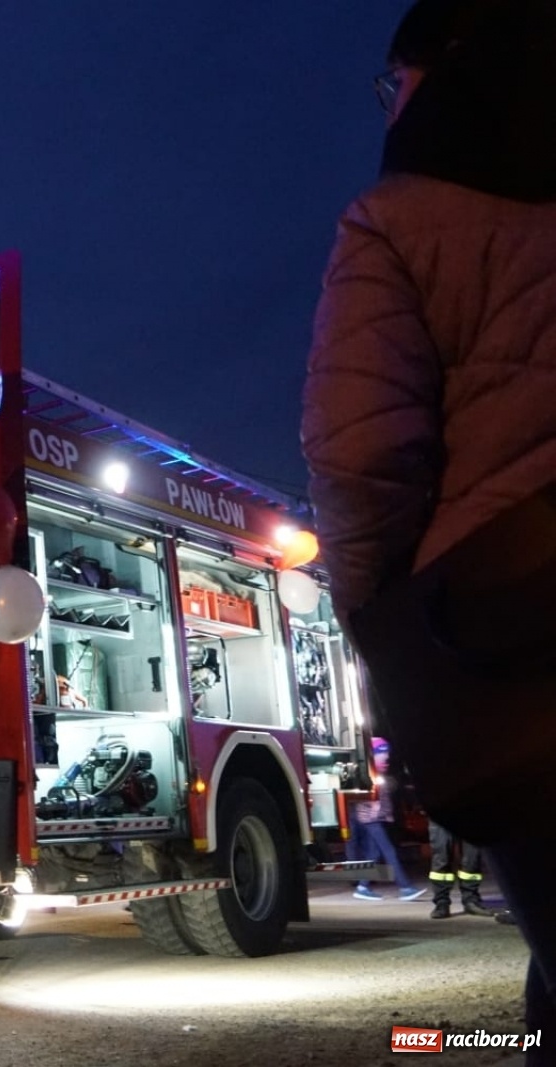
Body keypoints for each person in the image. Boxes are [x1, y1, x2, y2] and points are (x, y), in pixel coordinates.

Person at [300, 0, 556, 1053]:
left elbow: (358, 453)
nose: (390, 102)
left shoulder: (401, 220)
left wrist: (378, 622)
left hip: (518, 644)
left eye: (390, 82)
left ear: (436, 68)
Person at [348, 738, 428, 903]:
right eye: (381, 752)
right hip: (370, 817)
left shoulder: (378, 773)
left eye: (386, 753)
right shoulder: (367, 773)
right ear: (372, 754)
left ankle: (363, 887)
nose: (385, 757)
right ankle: (405, 887)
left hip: (374, 816)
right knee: (389, 851)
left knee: (374, 854)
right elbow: (367, 798)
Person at [427, 817, 493, 919]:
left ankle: (471, 901)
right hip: (441, 810)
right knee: (441, 859)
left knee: (472, 860)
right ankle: (441, 903)